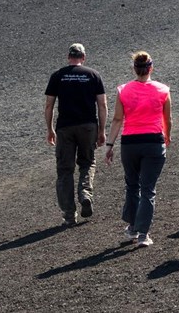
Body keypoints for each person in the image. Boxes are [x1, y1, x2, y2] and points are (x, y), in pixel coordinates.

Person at [104, 51, 171, 247]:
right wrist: (167, 137)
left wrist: (109, 145)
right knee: (148, 189)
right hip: (153, 142)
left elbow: (117, 119)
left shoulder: (123, 90)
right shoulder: (163, 90)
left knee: (132, 186)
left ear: (135, 69)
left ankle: (133, 228)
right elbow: (167, 119)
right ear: (151, 68)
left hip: (130, 144)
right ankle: (143, 233)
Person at [44, 43, 107, 226]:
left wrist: (49, 129)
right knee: (87, 162)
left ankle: (69, 215)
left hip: (65, 127)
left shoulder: (58, 76)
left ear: (68, 57)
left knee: (65, 170)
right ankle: (85, 193)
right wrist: (102, 130)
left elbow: (49, 105)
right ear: (84, 57)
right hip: (88, 126)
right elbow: (102, 105)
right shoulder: (93, 75)